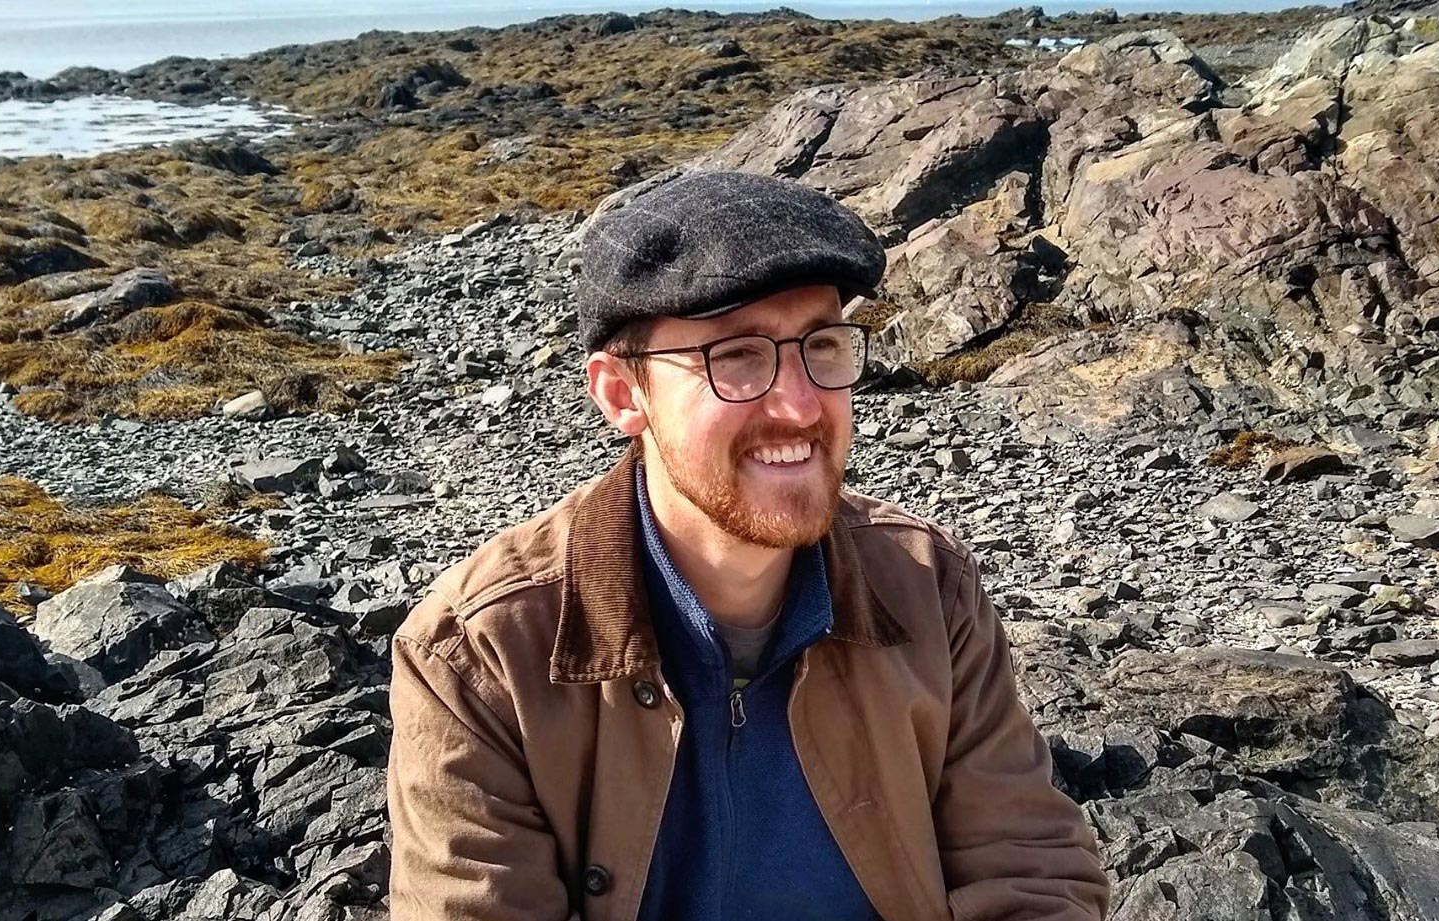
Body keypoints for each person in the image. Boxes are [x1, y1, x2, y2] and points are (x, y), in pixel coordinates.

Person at [386, 170, 1110, 920]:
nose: (800, 405)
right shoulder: (478, 654)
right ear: (620, 394)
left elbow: (1032, 870)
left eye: (821, 346)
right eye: (736, 356)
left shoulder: (927, 586)